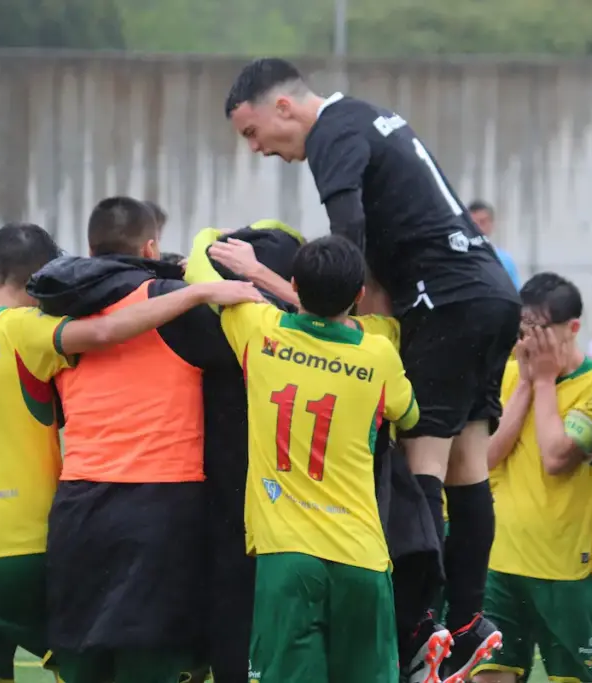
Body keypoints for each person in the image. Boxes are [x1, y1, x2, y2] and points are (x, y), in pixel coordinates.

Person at [222, 57, 520, 683]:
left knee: (422, 466)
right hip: (490, 292)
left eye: (252, 133)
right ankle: (465, 624)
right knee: (468, 463)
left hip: (447, 303)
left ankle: (420, 629)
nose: (257, 150)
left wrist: (262, 277)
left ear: (283, 108)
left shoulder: (333, 134)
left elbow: (347, 253)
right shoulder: (366, 118)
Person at [0, 222, 260, 683]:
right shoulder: (24, 328)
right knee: (116, 658)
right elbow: (105, 332)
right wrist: (193, 292)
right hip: (27, 547)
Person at [35, 198, 265, 683]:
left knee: (86, 663)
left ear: (92, 245)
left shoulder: (58, 306)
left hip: (78, 504)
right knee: (155, 662)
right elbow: (254, 351)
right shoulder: (169, 299)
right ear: (151, 245)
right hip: (160, 504)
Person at [218, 235, 418, 683]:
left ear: (291, 283)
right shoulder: (378, 352)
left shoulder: (259, 329)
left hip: (286, 557)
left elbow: (197, 264)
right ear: (359, 296)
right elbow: (409, 413)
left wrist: (247, 266)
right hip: (360, 556)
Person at [472, 273, 592, 683]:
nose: (530, 342)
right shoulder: (511, 375)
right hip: (500, 563)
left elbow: (556, 456)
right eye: (523, 330)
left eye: (541, 330)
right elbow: (484, 459)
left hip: (565, 572)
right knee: (486, 676)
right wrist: (528, 385)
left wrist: (546, 381)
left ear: (572, 328)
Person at [467, 201, 521, 290]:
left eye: (482, 222)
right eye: (473, 223)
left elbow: (516, 295)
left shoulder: (504, 260)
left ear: (491, 224)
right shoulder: (457, 258)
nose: (477, 228)